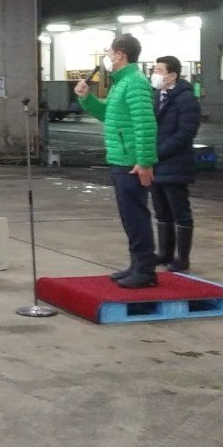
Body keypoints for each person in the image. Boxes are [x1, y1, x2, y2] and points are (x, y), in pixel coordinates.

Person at [75, 34, 158, 288]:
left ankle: (145, 270)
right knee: (129, 216)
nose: (107, 56)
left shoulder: (135, 83)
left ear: (120, 54)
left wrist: (145, 162)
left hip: (131, 162)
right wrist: (86, 97)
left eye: (110, 52)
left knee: (136, 216)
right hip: (120, 158)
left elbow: (145, 124)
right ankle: (137, 264)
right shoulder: (121, 83)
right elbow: (107, 114)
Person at [150, 55, 201, 273]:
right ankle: (165, 253)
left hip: (174, 163)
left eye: (159, 71)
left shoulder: (186, 99)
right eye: (154, 70)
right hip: (155, 164)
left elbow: (186, 133)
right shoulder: (157, 96)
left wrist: (158, 152)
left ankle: (182, 258)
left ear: (172, 75)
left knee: (180, 211)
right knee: (161, 210)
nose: (155, 74)